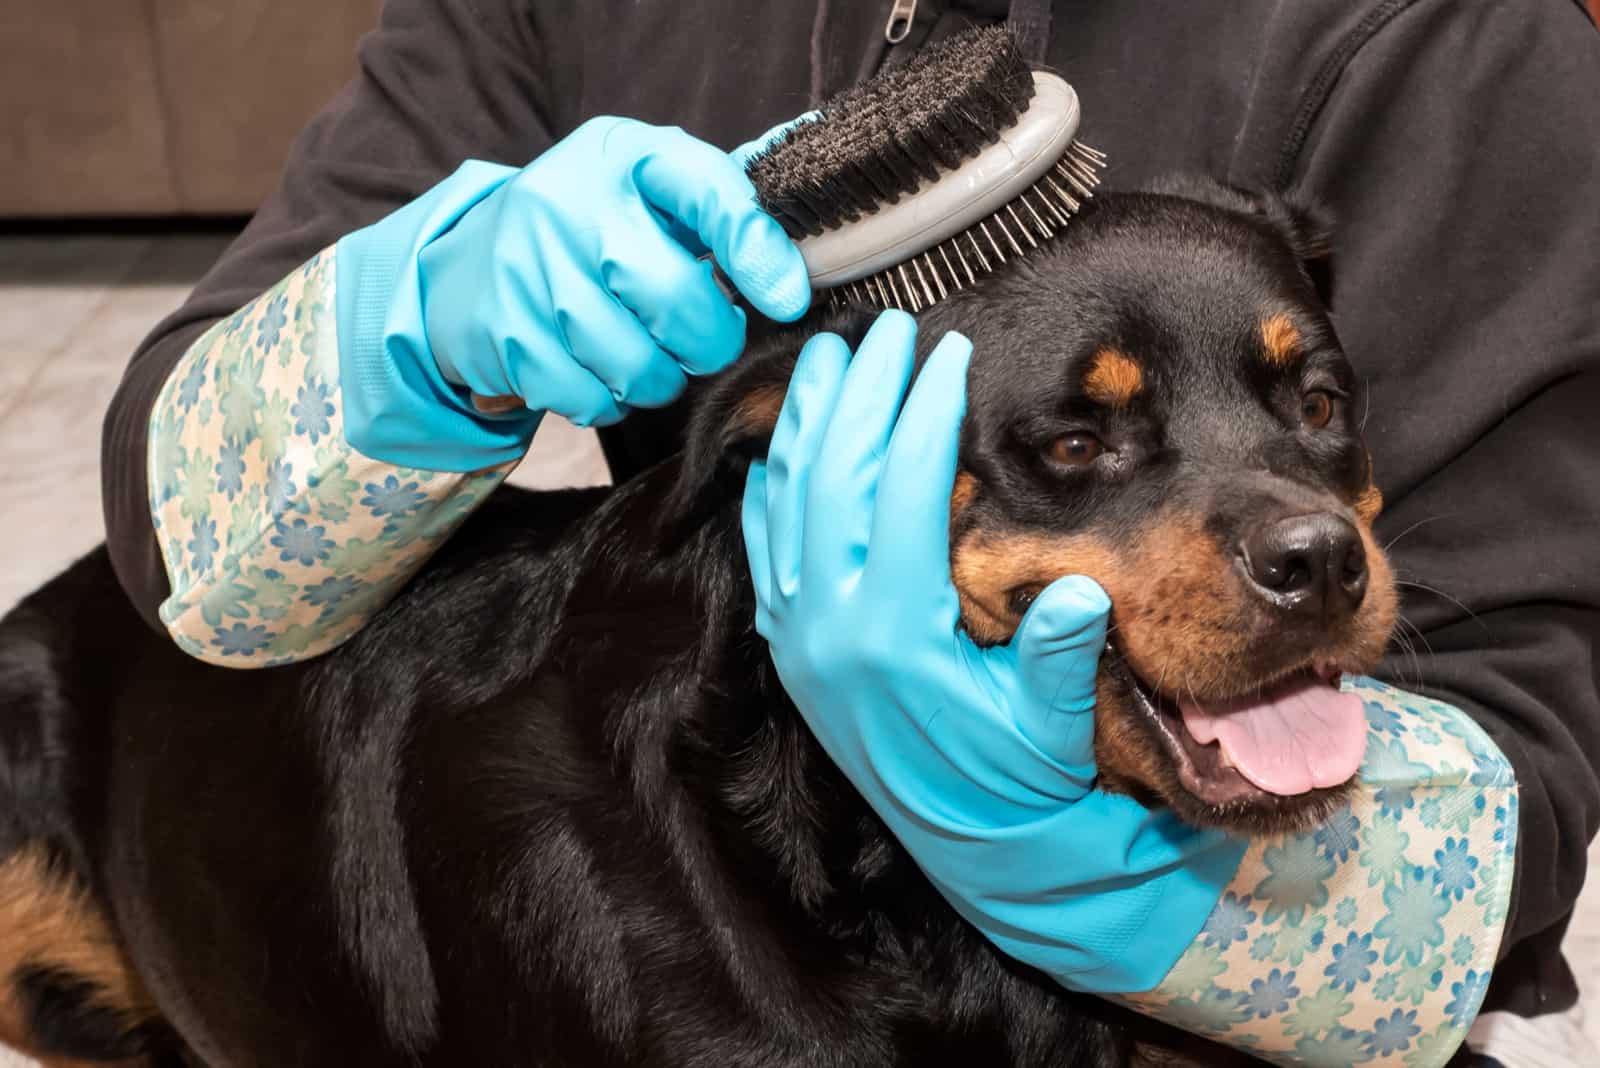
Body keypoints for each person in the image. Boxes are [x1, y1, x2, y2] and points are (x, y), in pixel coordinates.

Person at [100, 0, 1600, 1062]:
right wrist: (411, 329)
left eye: (1312, 411)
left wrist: (1094, 858)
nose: (1301, 528)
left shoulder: (1441, 35)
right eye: (1078, 442)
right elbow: (169, 550)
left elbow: (1532, 766)